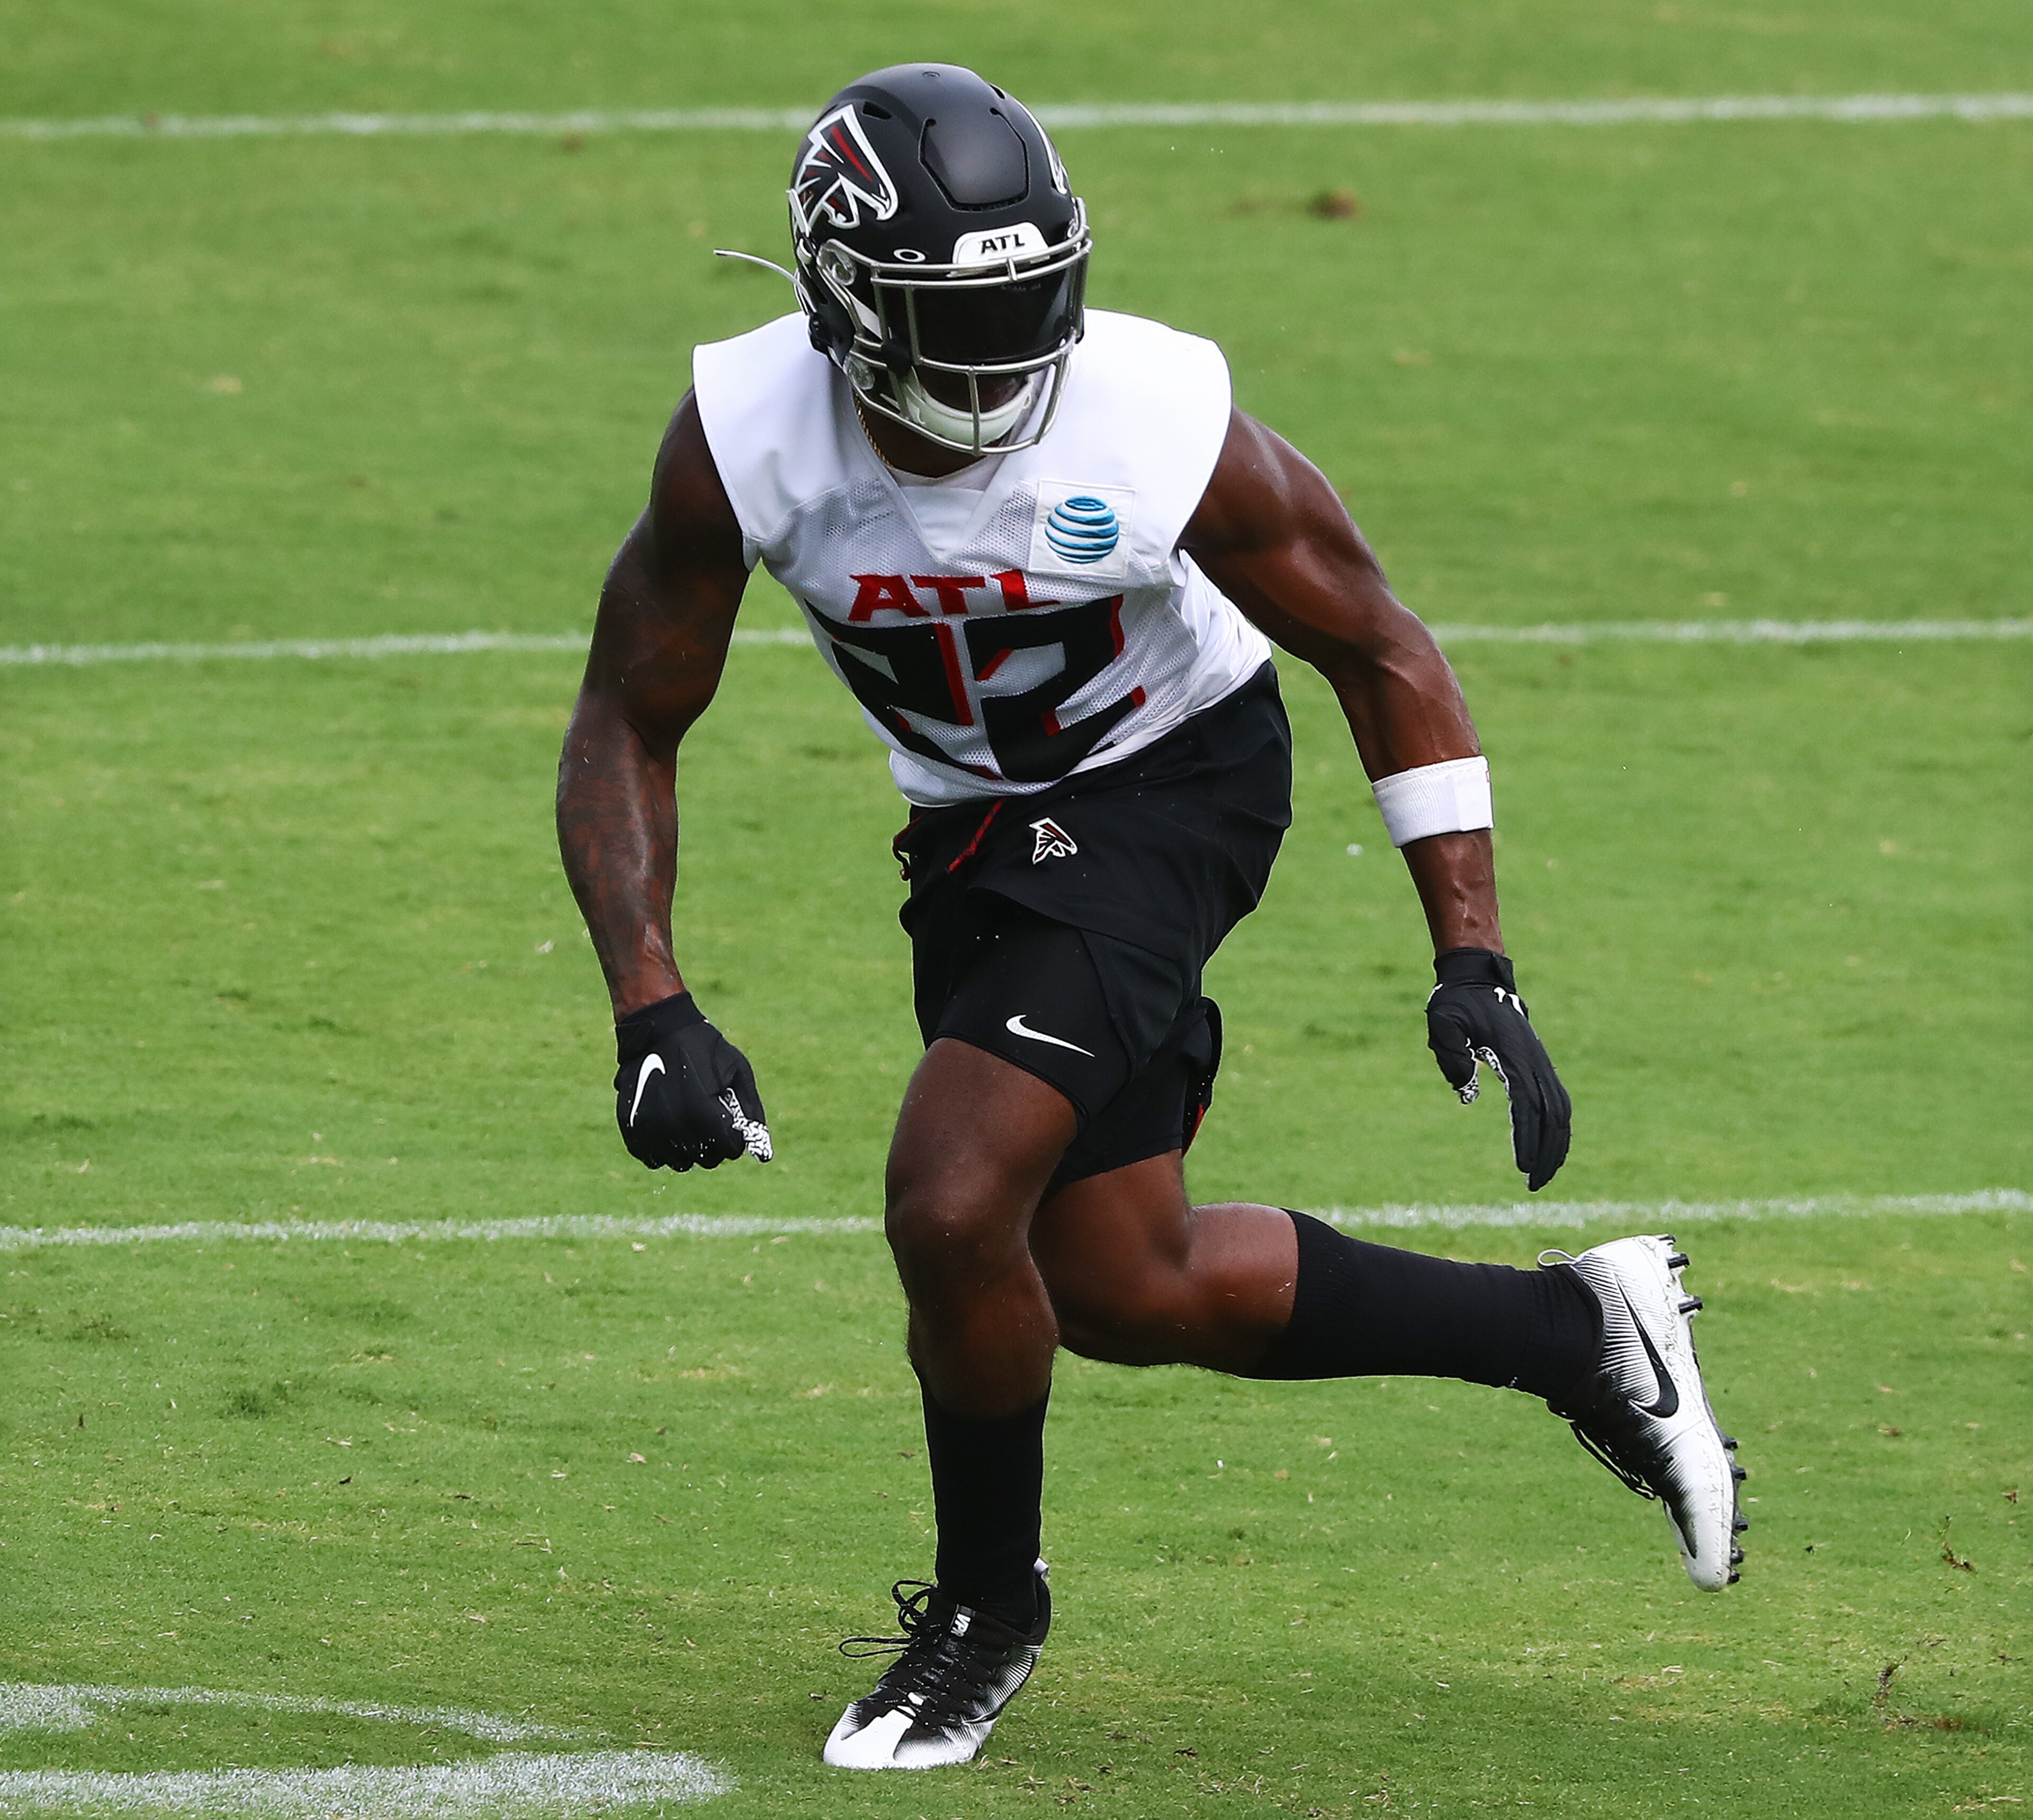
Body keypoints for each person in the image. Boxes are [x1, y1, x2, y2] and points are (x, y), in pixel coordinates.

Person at [557, 62, 1746, 1772]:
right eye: (953, 318)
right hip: (976, 828)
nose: (1007, 354)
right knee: (1120, 1283)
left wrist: (1472, 949)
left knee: (952, 1197)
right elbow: (626, 716)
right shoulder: (745, 438)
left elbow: (1380, 648)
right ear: (838, 305)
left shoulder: (1148, 414)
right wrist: (650, 1005)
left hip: (1172, 790)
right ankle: (1575, 1333)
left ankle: (986, 1611)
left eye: (1036, 302)